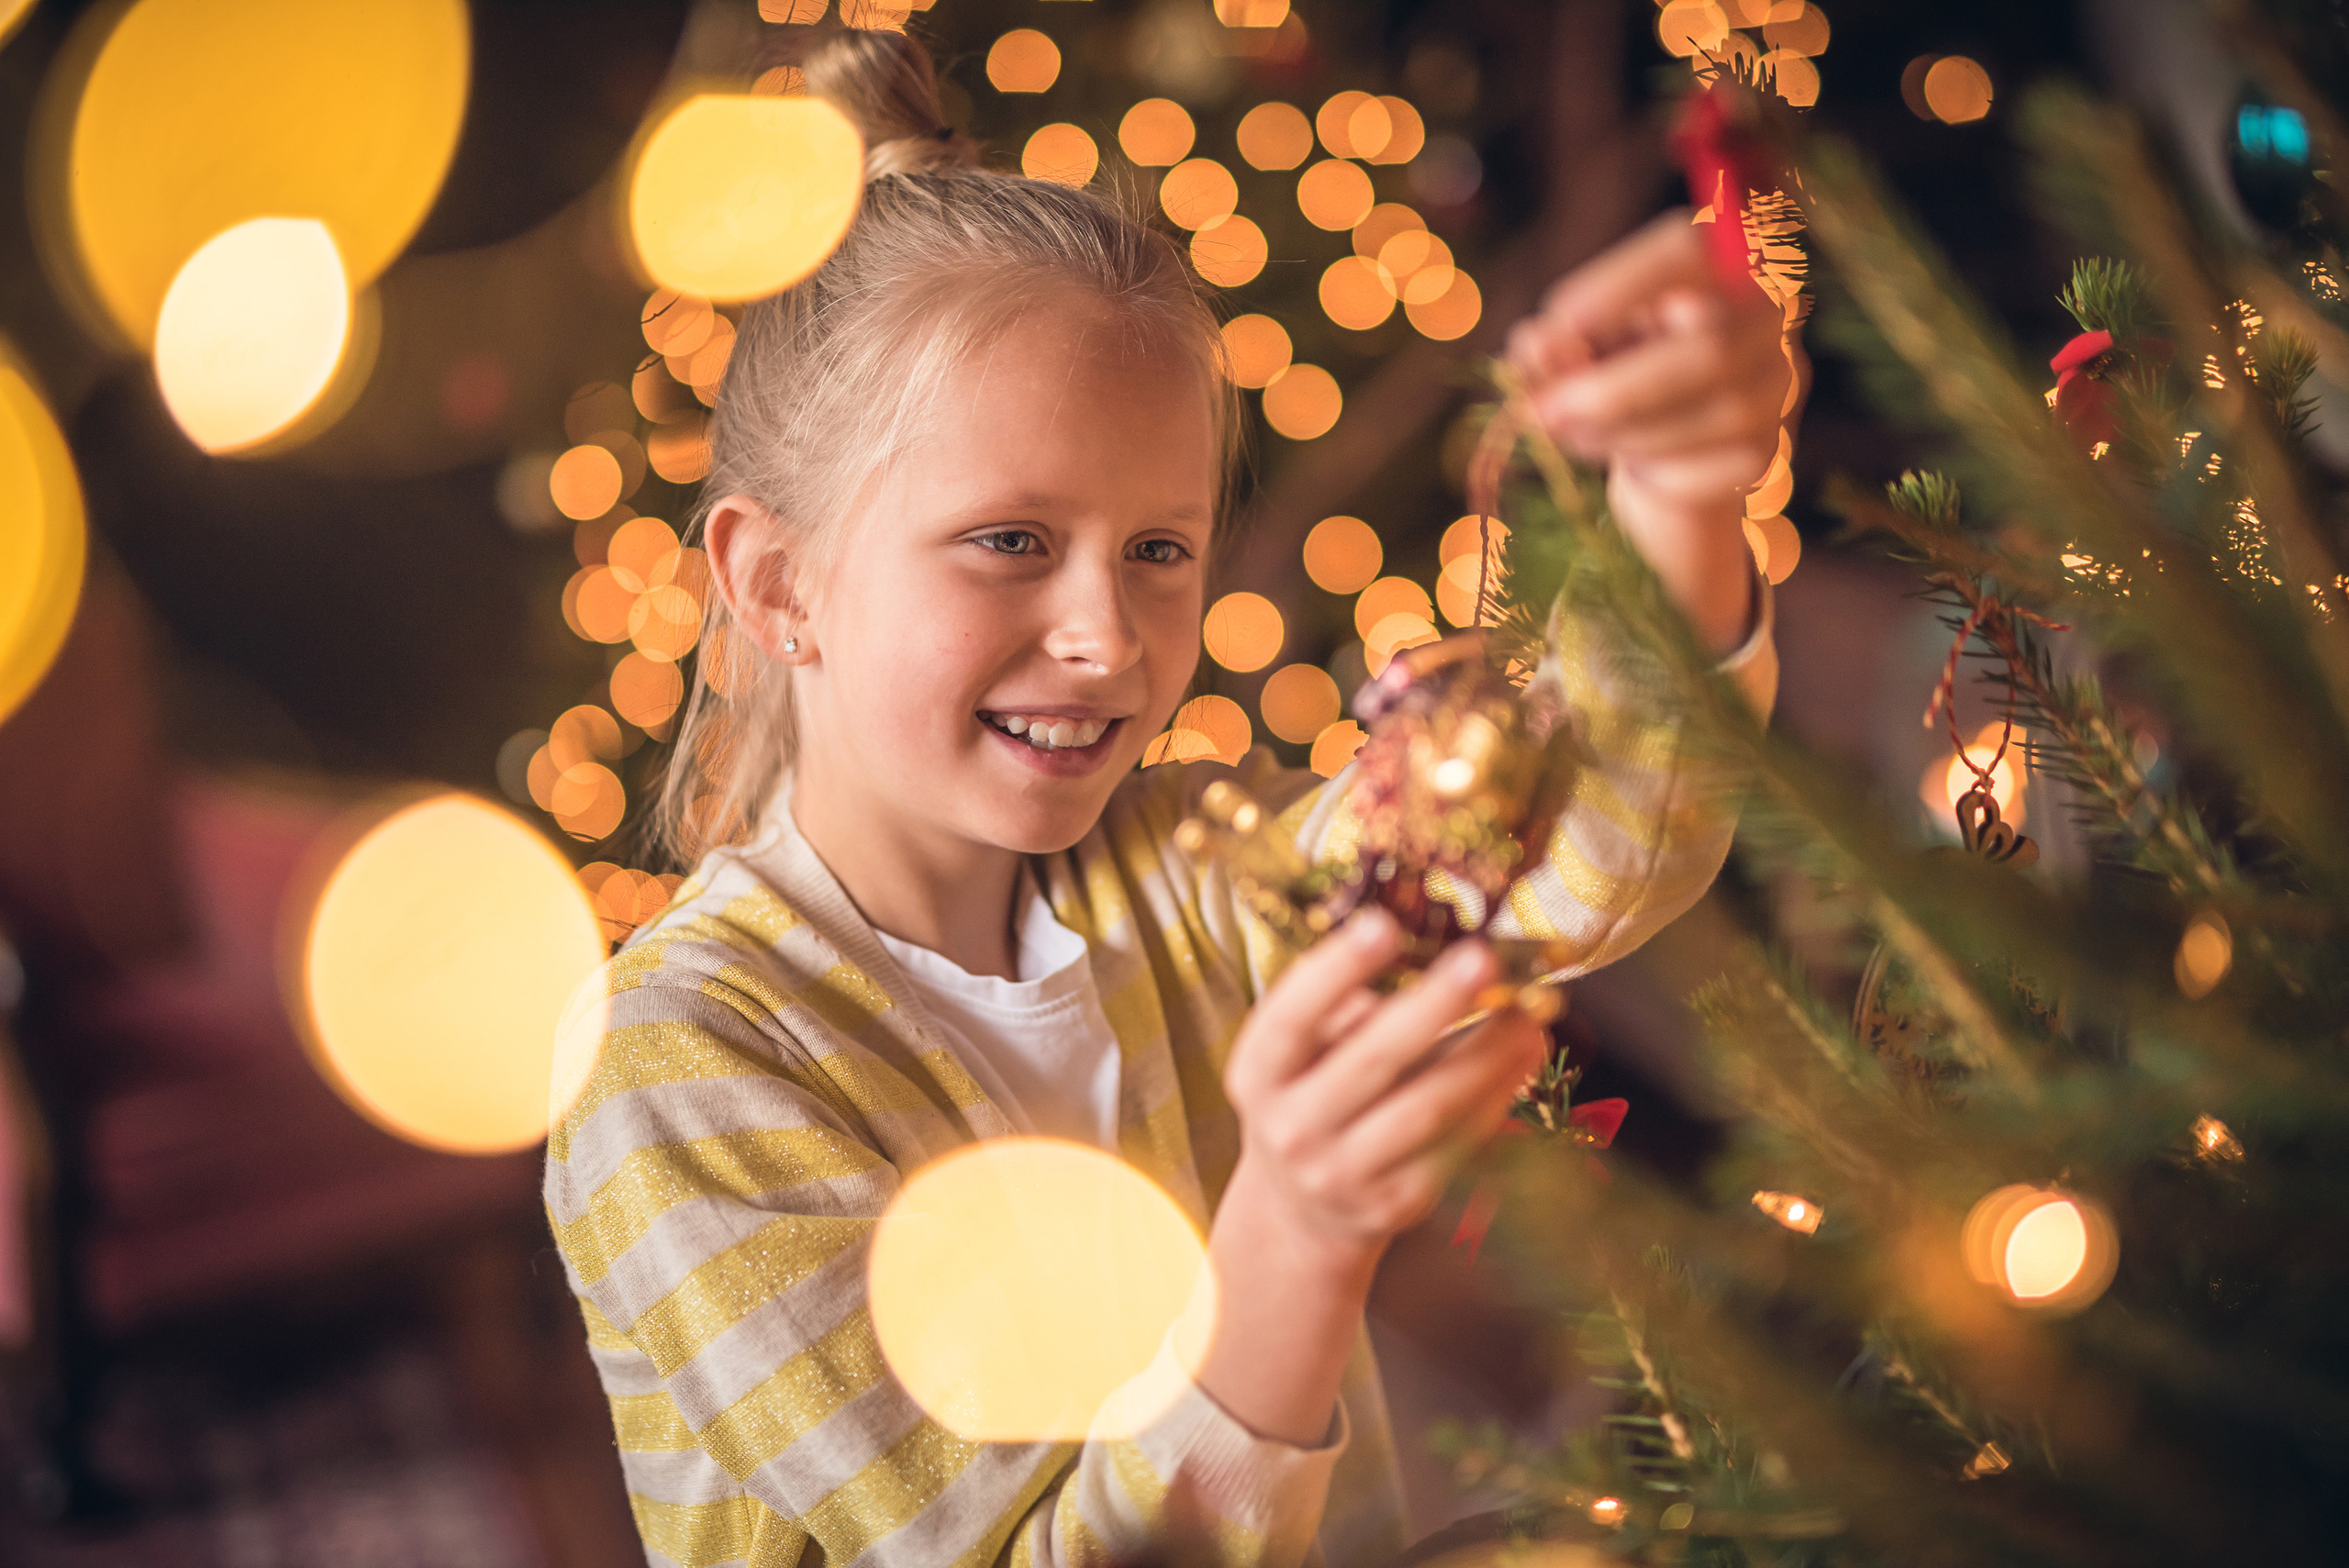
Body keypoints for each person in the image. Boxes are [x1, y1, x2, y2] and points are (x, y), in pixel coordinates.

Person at [544, 27, 1787, 1568]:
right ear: (778, 582)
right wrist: (1298, 1232)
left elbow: (1588, 852)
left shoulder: (1200, 867)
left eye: (1159, 550)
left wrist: (1685, 492)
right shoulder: (678, 1073)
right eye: (1009, 539)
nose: (1107, 637)